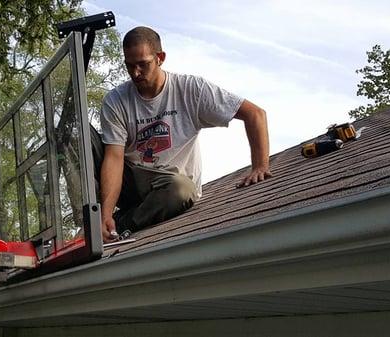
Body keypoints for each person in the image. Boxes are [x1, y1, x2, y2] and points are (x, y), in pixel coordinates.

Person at [96, 26, 272, 243]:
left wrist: (260, 166)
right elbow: (113, 157)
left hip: (171, 188)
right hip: (132, 181)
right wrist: (104, 212)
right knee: (79, 138)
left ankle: (119, 226)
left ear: (160, 58)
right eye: (130, 66)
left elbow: (255, 114)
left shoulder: (191, 89)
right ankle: (94, 222)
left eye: (143, 64)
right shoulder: (116, 100)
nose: (136, 73)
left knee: (180, 188)